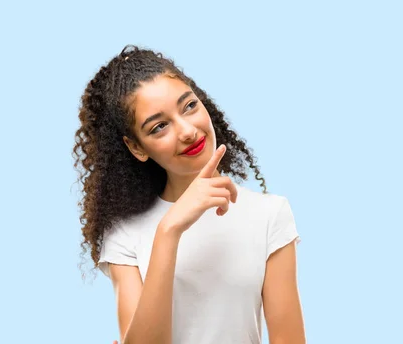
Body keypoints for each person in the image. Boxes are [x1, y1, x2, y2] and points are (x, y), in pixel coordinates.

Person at [73, 45, 305, 344]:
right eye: (159, 127)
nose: (187, 130)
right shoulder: (124, 233)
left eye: (189, 106)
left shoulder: (270, 214)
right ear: (136, 147)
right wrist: (169, 230)